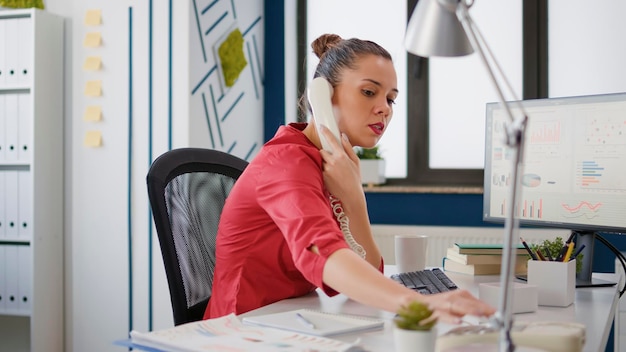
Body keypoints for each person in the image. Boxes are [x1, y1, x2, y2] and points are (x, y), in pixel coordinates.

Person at [204, 33, 495, 324]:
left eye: (391, 99)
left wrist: (355, 199)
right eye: (369, 92)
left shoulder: (331, 164)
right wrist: (417, 303)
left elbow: (369, 270)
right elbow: (323, 254)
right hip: (238, 329)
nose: (385, 108)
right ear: (324, 95)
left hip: (282, 321)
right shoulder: (286, 163)